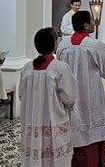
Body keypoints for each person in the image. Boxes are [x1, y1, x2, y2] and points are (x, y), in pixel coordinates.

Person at [57, 11, 105, 166]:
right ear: (86, 25)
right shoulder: (95, 45)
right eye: (92, 21)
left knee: (73, 122)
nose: (95, 23)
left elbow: (59, 68)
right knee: (91, 119)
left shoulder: (63, 45)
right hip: (90, 92)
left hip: (68, 92)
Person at [19, 28, 77, 167]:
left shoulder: (27, 68)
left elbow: (22, 95)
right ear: (54, 44)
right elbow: (69, 98)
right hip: (53, 120)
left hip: (32, 121)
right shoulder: (60, 68)